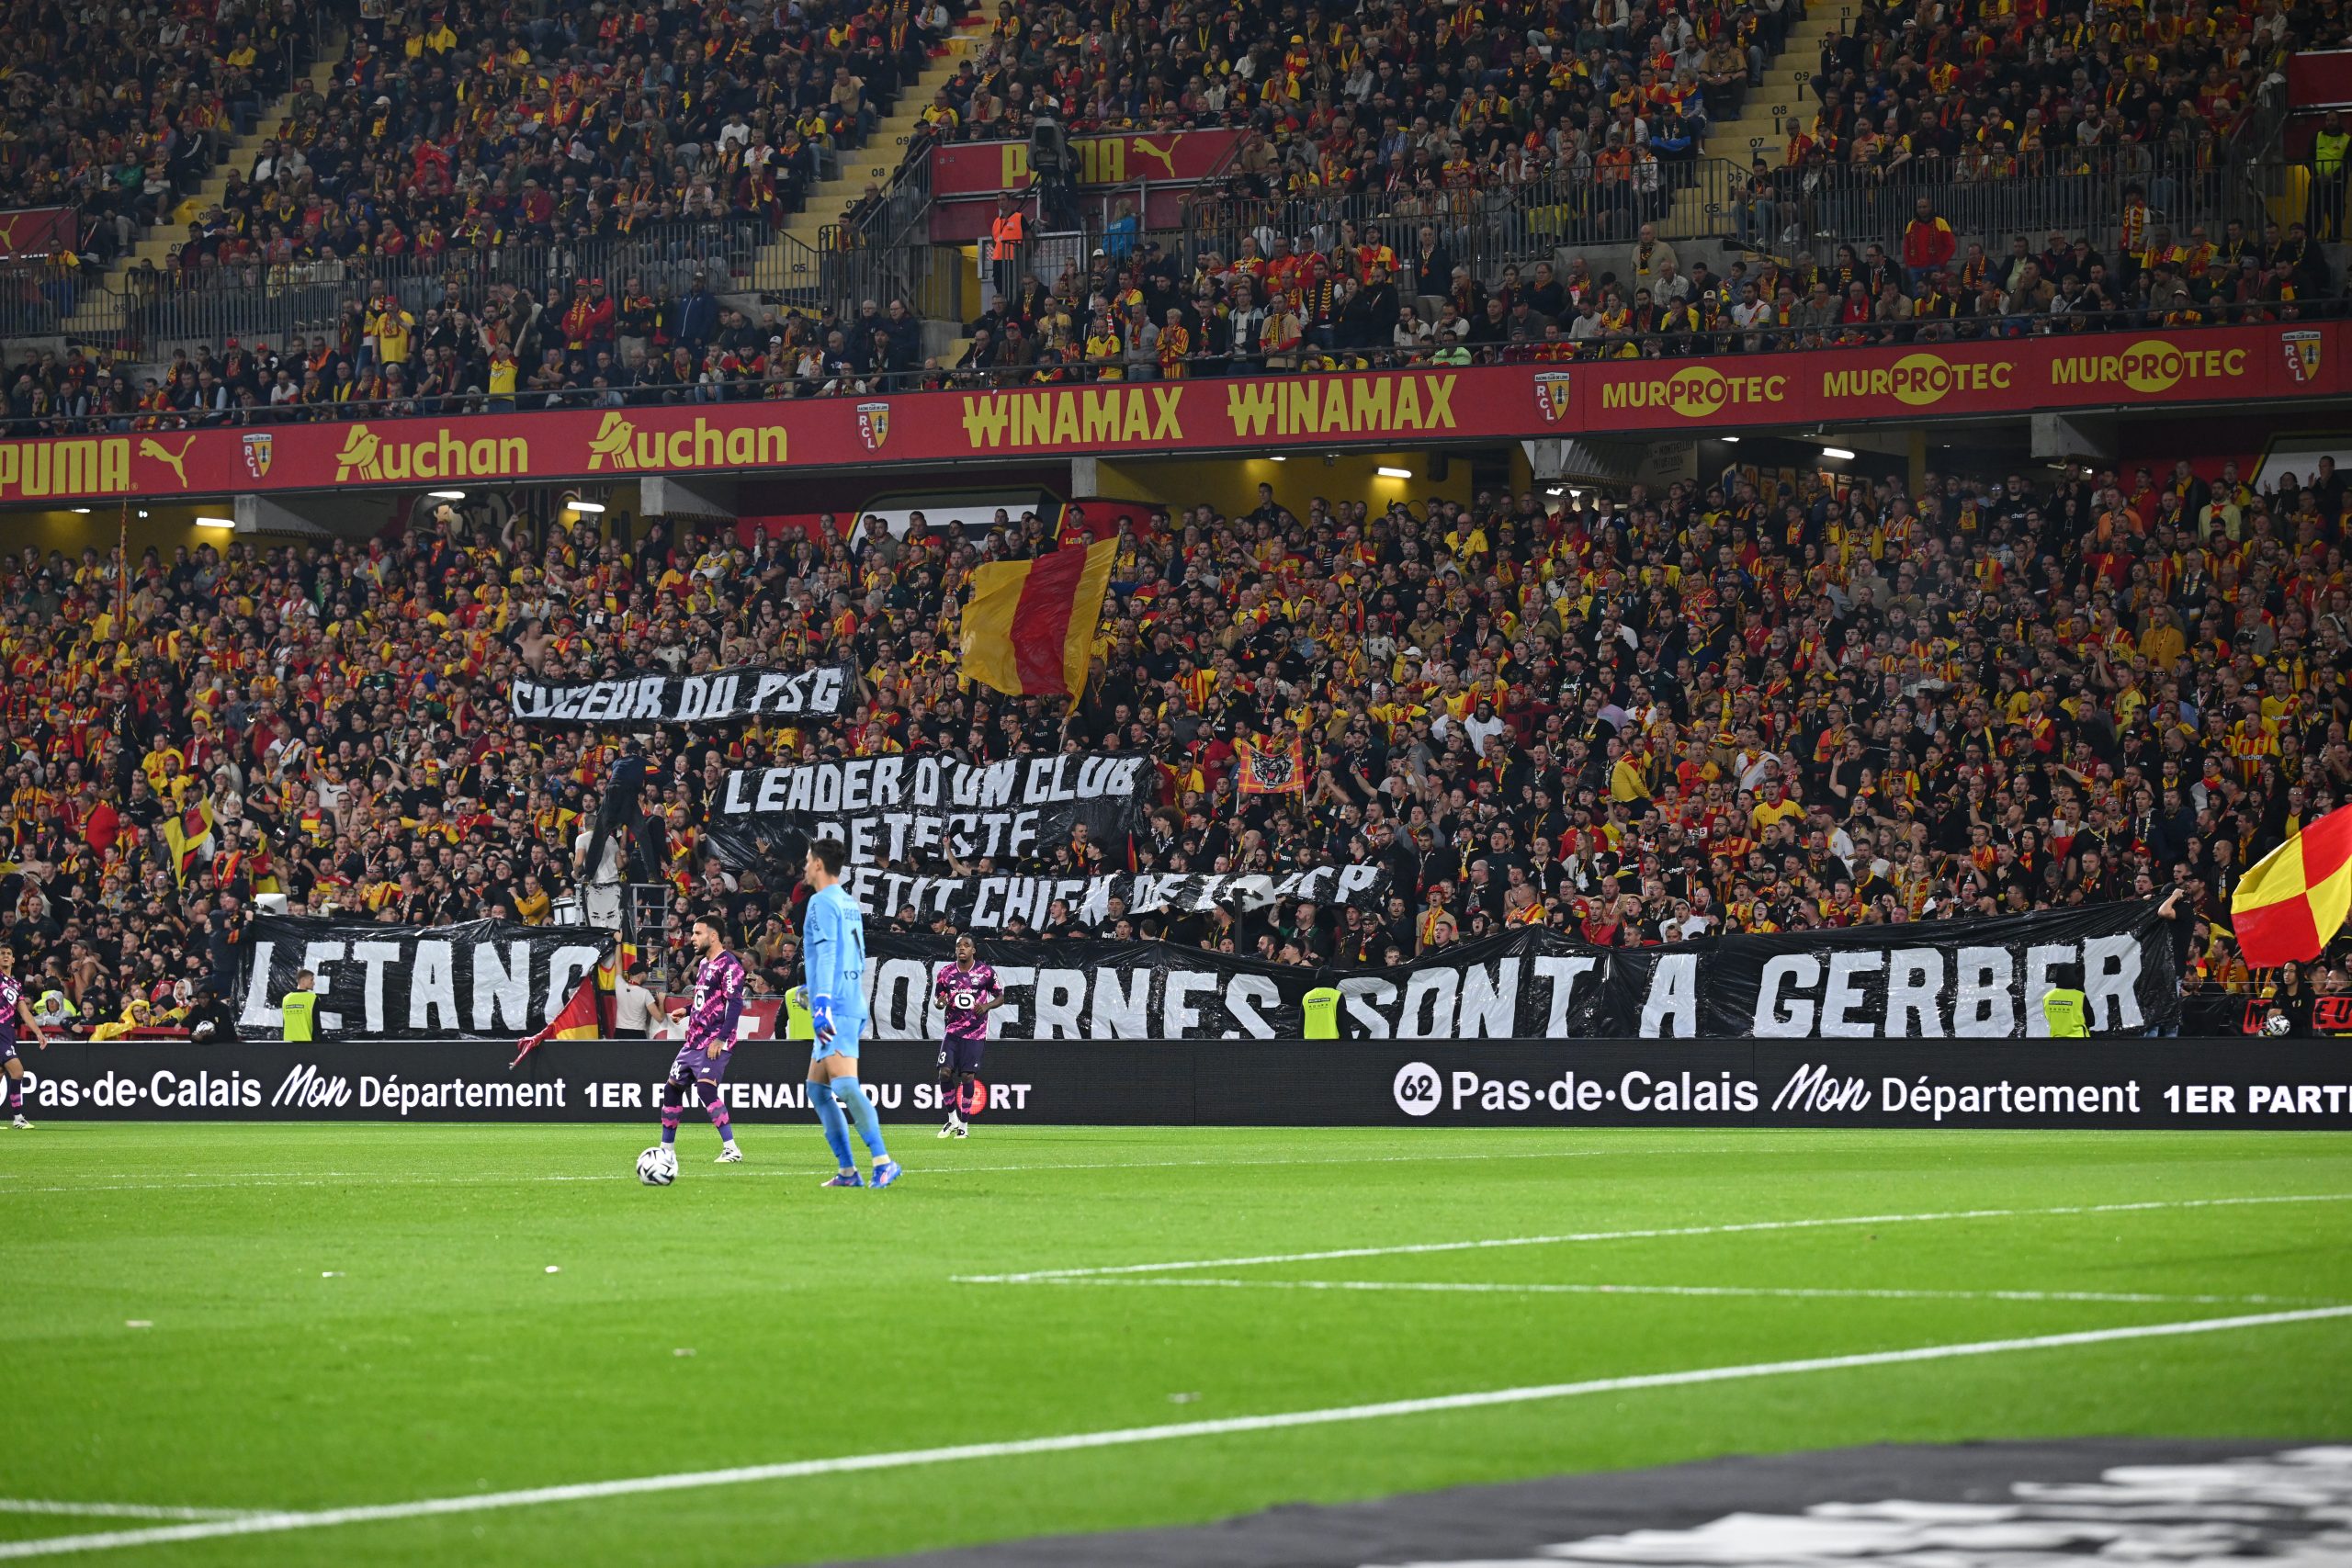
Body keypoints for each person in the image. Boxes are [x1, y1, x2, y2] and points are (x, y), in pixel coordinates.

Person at [802, 837, 899, 1188]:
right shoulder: (847, 903)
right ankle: (847, 1172)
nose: (803, 866)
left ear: (817, 864)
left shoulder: (820, 902)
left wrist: (823, 1003)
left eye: (806, 860)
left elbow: (828, 954)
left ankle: (883, 1161)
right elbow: (852, 958)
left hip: (837, 1007)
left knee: (844, 1085)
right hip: (844, 998)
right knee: (816, 1089)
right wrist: (810, 991)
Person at [653, 914, 748, 1175]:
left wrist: (720, 1038)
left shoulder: (730, 965)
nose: (691, 938)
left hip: (713, 1040)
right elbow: (706, 999)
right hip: (693, 1039)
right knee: (671, 1090)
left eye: (697, 933)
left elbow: (734, 1004)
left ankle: (732, 1149)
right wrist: (687, 1009)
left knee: (706, 1090)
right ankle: (667, 1150)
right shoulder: (706, 963)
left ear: (713, 936)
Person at [932, 932, 1001, 1138]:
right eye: (958, 945)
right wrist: (940, 1003)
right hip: (952, 1031)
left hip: (975, 1032)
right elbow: (938, 999)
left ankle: (964, 1124)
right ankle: (952, 1118)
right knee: (944, 1073)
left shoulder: (985, 972)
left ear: (973, 950)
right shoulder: (945, 972)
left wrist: (986, 1006)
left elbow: (1001, 996)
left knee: (967, 1076)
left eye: (966, 945)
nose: (962, 948)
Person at [2, 947, 48, 1129]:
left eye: (8, 954)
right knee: (18, 1072)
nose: (5, 956)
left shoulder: (15, 984)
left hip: (7, 1032)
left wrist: (38, 1032)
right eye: (1, 953)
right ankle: (18, 1117)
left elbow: (24, 1012)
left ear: (13, 960)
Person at [2041, 961, 2087, 1039]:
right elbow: (2091, 1021)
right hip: (2079, 1040)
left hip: (2056, 1040)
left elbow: (2048, 1017)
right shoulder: (2080, 996)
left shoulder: (2047, 997)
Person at [281, 969, 318, 1043]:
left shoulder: (286, 998)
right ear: (303, 980)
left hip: (288, 1044)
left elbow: (285, 1023)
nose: (313, 983)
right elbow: (316, 1025)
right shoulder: (312, 998)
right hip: (306, 1043)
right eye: (311, 980)